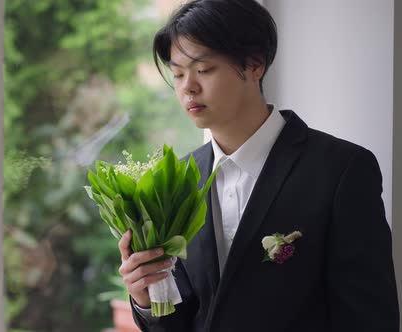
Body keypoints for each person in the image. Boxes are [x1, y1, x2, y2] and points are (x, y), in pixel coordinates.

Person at [117, 0, 400, 331]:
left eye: (203, 70)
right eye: (178, 74)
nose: (187, 87)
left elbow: (368, 318)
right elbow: (185, 320)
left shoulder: (340, 170)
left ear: (254, 65)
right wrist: (146, 299)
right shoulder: (177, 181)